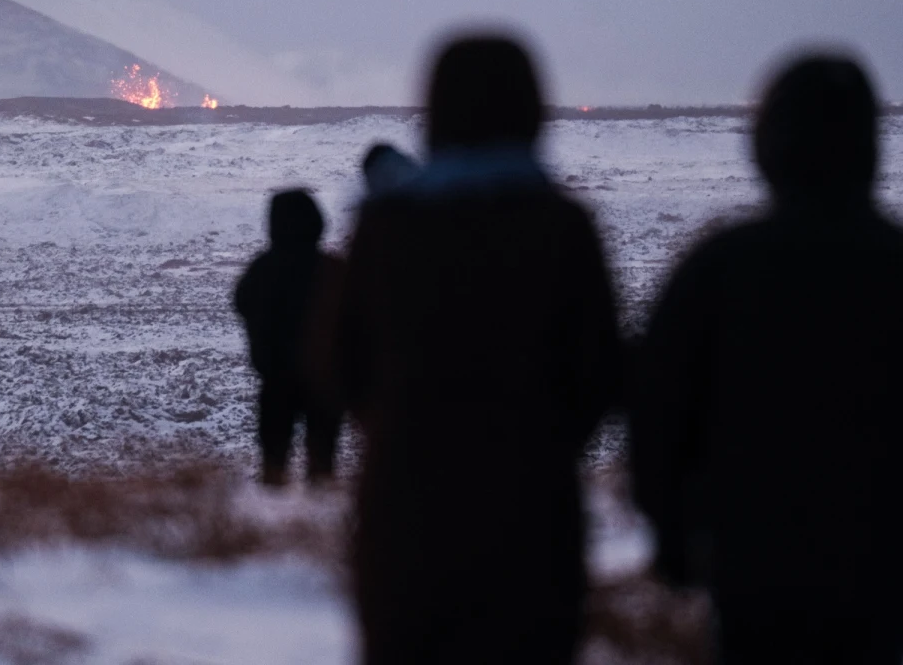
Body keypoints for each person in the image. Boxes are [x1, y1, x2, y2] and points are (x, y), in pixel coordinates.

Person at [336, 34, 621, 663]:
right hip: (531, 515)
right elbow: (599, 370)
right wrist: (542, 443)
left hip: (405, 511)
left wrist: (398, 429)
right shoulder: (562, 227)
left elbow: (338, 362)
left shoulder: (387, 228)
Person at [630, 53, 903, 664]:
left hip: (752, 574)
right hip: (881, 577)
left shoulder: (719, 269)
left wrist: (676, 540)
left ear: (769, 146)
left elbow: (657, 416)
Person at [234, 189, 344, 486]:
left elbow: (241, 301)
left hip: (276, 376)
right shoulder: (331, 268)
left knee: (273, 460)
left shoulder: (264, 267)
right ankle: (318, 520)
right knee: (323, 461)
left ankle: (272, 517)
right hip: (324, 377)